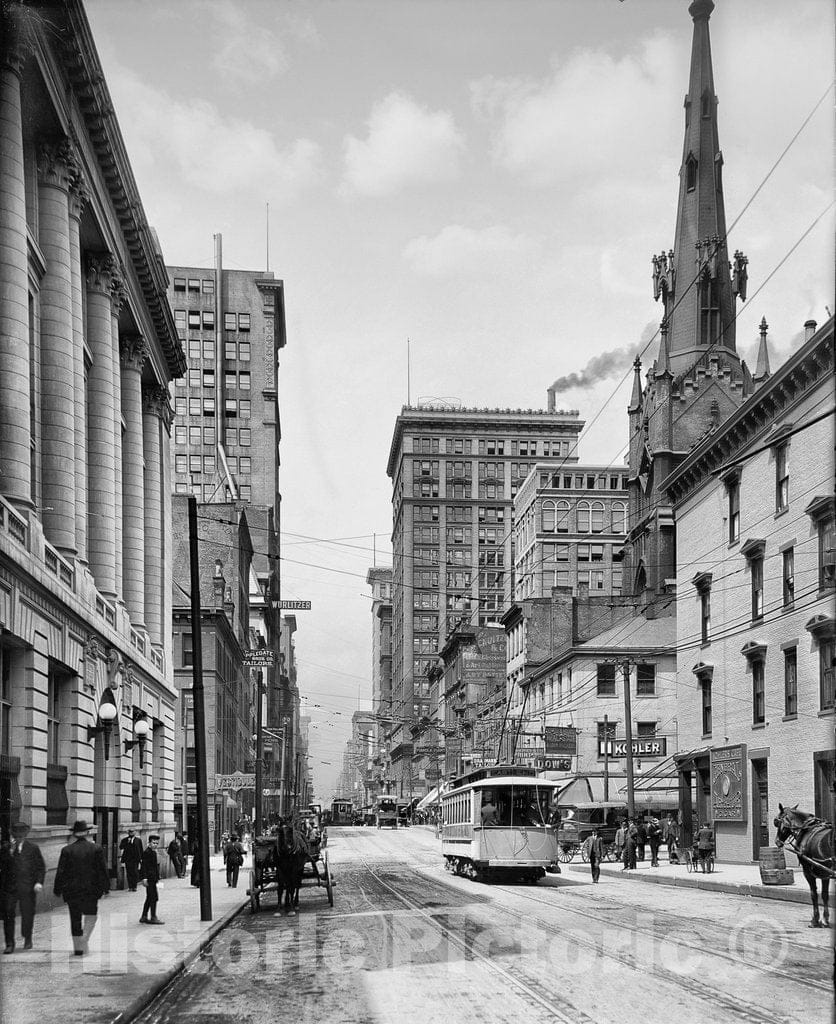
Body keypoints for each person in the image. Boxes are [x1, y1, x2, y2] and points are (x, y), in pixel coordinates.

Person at [53, 820, 110, 956]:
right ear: (87, 832)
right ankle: (84, 939)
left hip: (72, 891)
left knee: (75, 919)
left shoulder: (67, 850)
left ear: (74, 834)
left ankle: (78, 949)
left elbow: (61, 872)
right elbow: (102, 870)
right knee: (91, 917)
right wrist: (105, 888)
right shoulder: (96, 848)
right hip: (91, 891)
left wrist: (58, 889)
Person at [0, 820, 46, 953]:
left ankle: (27, 938)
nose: (18, 839)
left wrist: (38, 882)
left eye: (21, 836)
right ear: (13, 836)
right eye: (16, 836)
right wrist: (9, 852)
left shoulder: (33, 848)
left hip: (27, 888)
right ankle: (9, 943)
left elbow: (40, 867)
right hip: (10, 888)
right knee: (8, 914)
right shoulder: (6, 849)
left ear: (25, 836)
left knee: (27, 914)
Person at [139, 834, 164, 924]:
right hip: (149, 879)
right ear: (149, 843)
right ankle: (153, 917)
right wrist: (144, 878)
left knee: (150, 897)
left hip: (153, 878)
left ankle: (144, 916)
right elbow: (144, 866)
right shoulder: (147, 852)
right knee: (153, 897)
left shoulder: (153, 852)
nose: (155, 845)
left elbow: (155, 867)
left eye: (157, 843)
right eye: (153, 843)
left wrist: (158, 877)